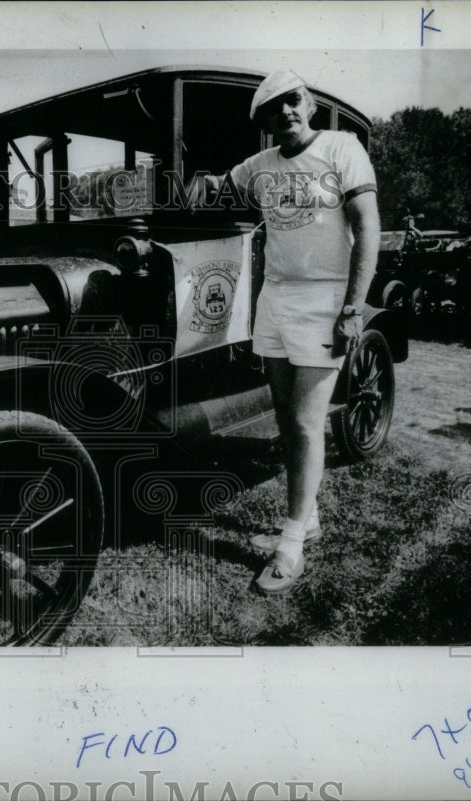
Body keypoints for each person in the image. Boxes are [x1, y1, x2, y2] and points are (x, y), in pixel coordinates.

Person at [195, 70, 380, 593]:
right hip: (274, 297)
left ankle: (292, 543)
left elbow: (367, 226)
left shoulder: (343, 149)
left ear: (310, 104)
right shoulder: (260, 165)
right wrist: (193, 181)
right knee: (284, 416)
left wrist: (352, 309)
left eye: (293, 100)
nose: (286, 112)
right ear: (266, 121)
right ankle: (310, 518)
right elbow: (212, 190)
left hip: (326, 298)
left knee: (303, 423)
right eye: (274, 108)